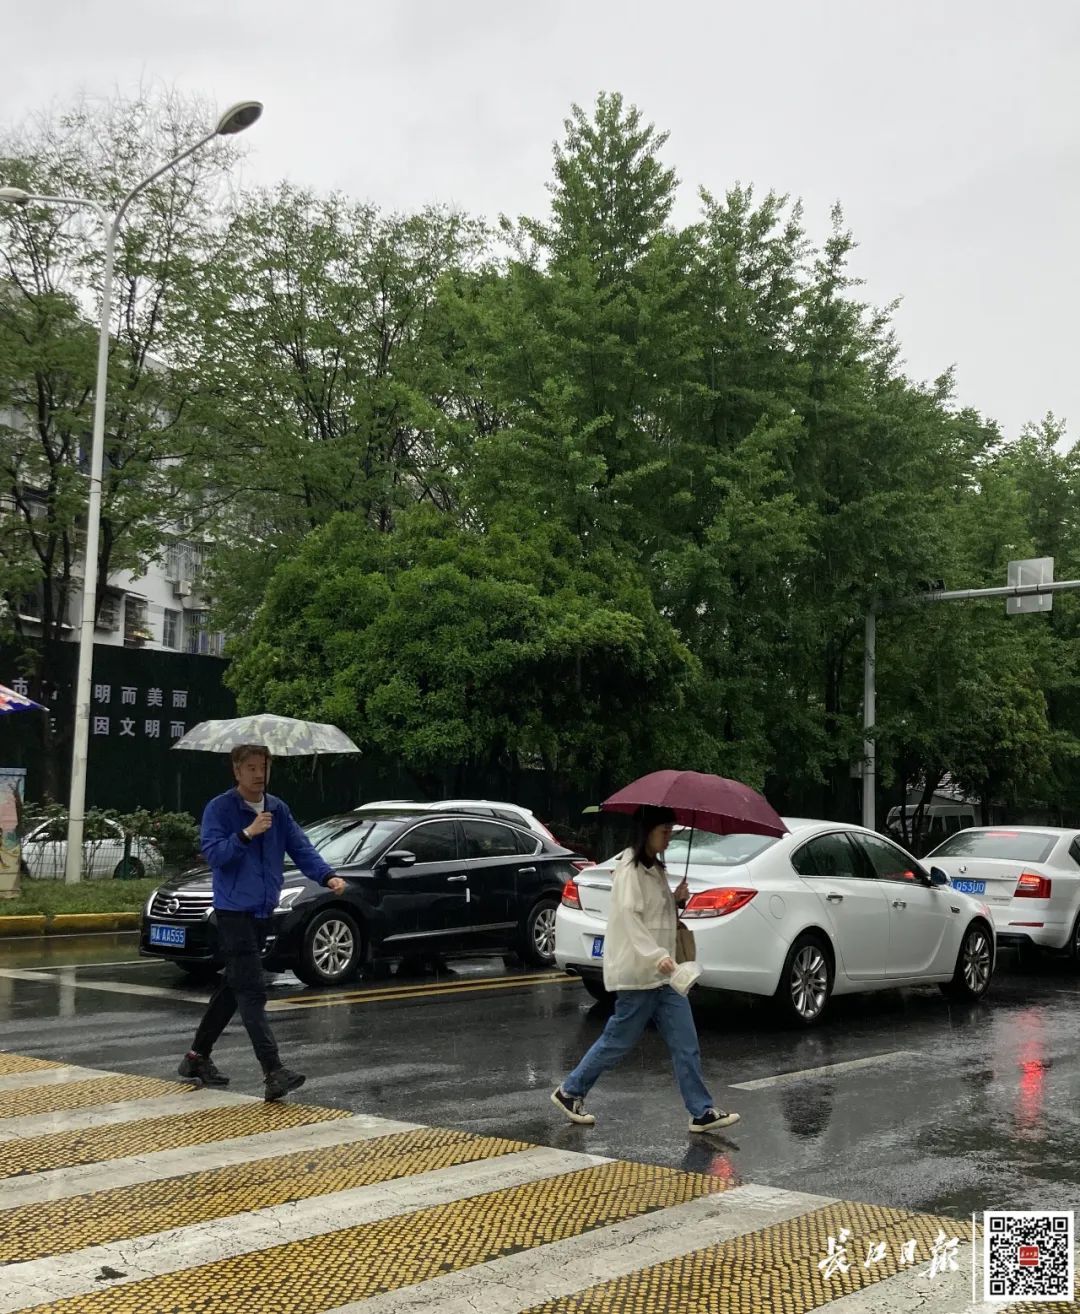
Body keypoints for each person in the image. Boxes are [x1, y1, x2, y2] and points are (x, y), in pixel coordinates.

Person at [551, 804, 739, 1133]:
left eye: (670, 831)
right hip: (640, 974)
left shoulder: (655, 869)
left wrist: (676, 900)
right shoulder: (630, 870)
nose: (668, 838)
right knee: (617, 1042)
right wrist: (657, 956)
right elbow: (630, 920)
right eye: (664, 831)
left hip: (663, 976)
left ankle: (701, 1110)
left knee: (686, 1042)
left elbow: (654, 914)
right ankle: (570, 1091)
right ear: (646, 832)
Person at [178, 744, 346, 1101]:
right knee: (252, 990)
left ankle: (196, 1057)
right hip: (233, 912)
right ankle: (273, 1070)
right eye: (251, 767)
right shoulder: (220, 809)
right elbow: (215, 855)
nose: (259, 774)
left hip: (262, 912)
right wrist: (247, 833)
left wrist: (327, 875)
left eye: (264, 767)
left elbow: (301, 848)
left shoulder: (277, 809)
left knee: (232, 988)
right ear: (236, 772)